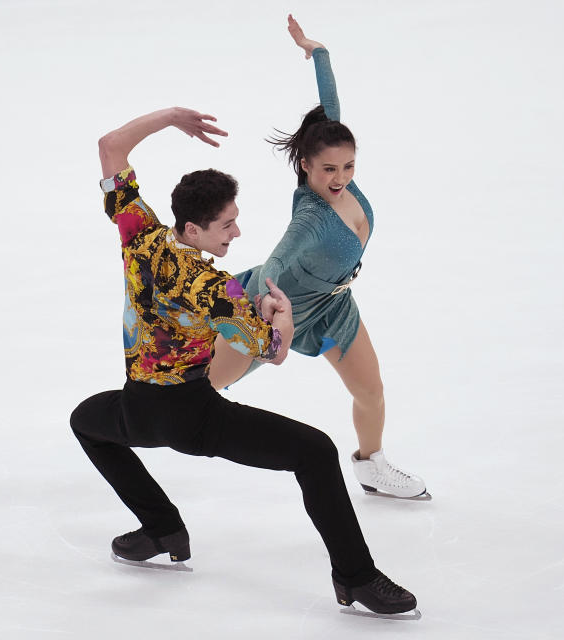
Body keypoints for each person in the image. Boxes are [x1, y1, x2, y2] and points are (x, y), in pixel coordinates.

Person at [70, 105, 417, 614]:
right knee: (316, 453)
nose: (236, 233)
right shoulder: (217, 289)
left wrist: (169, 118)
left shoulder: (139, 235)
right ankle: (356, 578)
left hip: (137, 407)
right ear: (193, 229)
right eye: (226, 225)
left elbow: (109, 147)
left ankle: (163, 528)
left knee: (86, 422)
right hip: (195, 418)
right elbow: (273, 353)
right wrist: (281, 317)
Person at [208, 15, 429, 500]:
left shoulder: (331, 154)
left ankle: (372, 465)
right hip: (277, 309)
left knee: (370, 390)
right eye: (329, 168)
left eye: (349, 166)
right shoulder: (309, 222)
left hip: (331, 309)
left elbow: (330, 106)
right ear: (305, 165)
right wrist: (262, 322)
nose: (341, 177)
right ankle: (143, 409)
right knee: (203, 391)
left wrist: (317, 51)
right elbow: (271, 270)